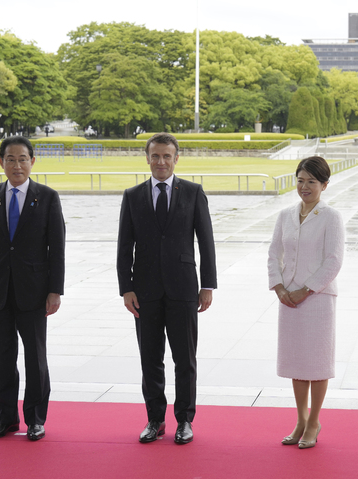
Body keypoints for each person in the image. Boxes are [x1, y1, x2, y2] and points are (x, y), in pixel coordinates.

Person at [117, 132, 217, 444]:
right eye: (155, 156)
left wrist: (208, 285)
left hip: (184, 288)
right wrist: (126, 288)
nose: (161, 161)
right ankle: (155, 419)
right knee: (150, 358)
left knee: (184, 359)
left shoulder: (193, 192)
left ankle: (184, 420)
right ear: (147, 158)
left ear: (176, 158)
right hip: (144, 292)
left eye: (167, 156)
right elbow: (124, 247)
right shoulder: (132, 196)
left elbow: (206, 242)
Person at [0, 136, 65, 441]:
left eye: (23, 159)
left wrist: (55, 290)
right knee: (3, 355)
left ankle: (35, 419)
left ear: (32, 161)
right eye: (10, 159)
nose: (17, 165)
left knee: (35, 357)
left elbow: (57, 249)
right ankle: (6, 419)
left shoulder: (47, 197)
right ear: (1, 162)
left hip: (34, 291)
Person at [267, 156, 345, 449]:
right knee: (297, 362)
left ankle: (314, 422)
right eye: (300, 180)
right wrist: (279, 287)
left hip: (318, 300)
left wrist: (305, 290)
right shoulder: (285, 215)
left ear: (324, 184)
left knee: (317, 363)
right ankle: (300, 419)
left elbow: (334, 260)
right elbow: (274, 253)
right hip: (288, 299)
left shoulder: (331, 217)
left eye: (311, 181)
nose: (304, 186)